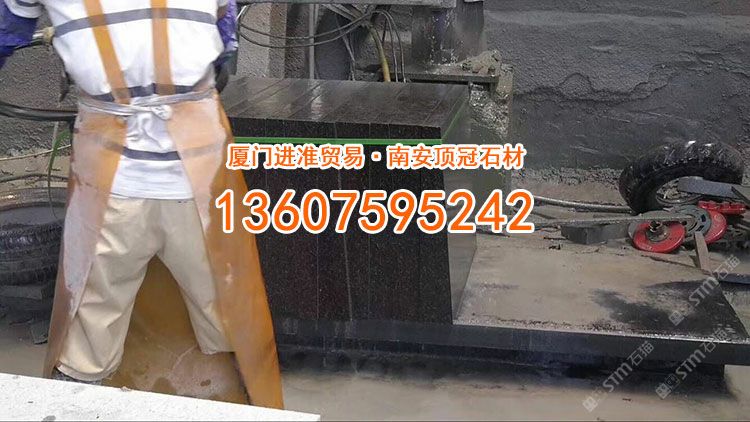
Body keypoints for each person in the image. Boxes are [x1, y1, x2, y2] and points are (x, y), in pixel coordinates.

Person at [0, 0, 283, 409]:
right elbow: (225, 30)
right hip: (166, 173)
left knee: (94, 327)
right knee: (230, 314)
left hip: (147, 175)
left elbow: (8, 29)